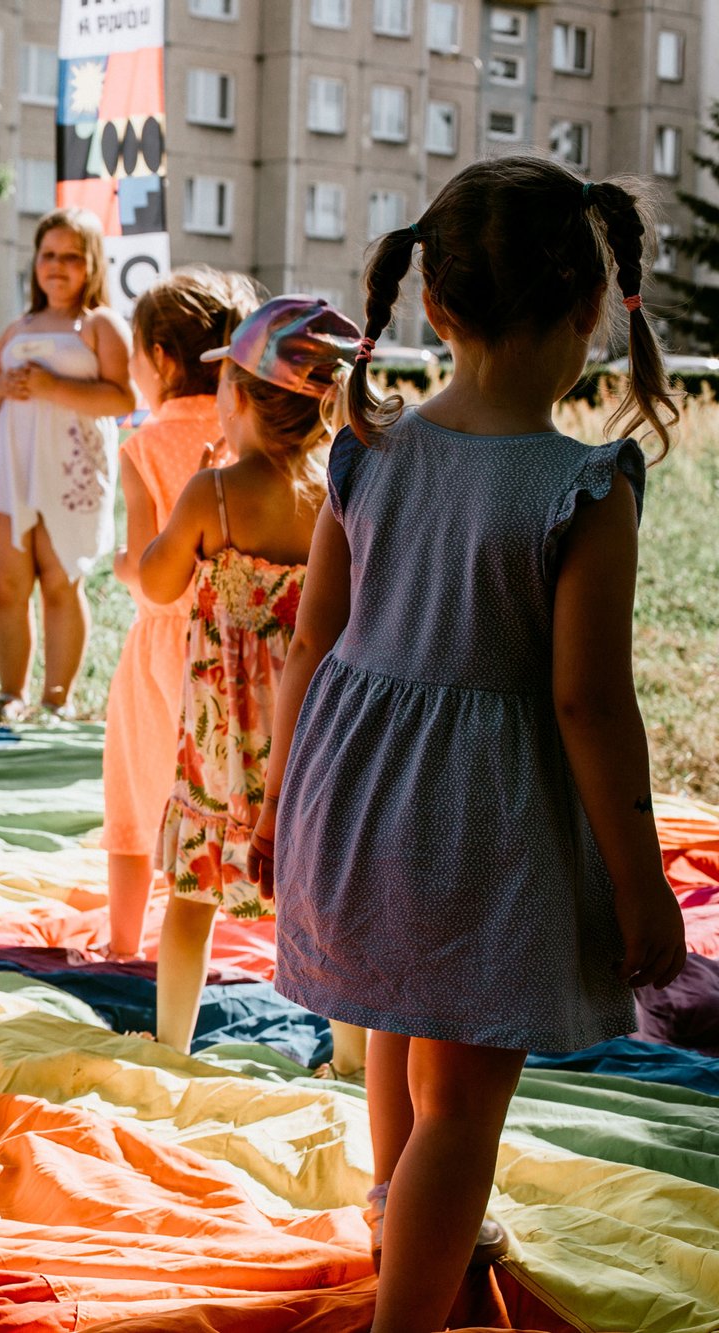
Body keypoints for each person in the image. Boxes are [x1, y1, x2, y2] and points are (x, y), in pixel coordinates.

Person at [251, 158, 687, 1333]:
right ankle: (412, 1299)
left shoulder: (362, 449)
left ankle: (404, 1219)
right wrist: (640, 883)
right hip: (478, 823)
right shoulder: (582, 484)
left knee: (393, 1030)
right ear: (589, 309)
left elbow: (309, 644)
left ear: (431, 305)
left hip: (350, 795)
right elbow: (588, 706)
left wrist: (276, 802)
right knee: (459, 1103)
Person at [137, 296, 367, 1081]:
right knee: (328, 892)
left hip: (223, 737)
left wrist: (181, 507)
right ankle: (349, 1056)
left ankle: (172, 1043)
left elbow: (160, 582)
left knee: (193, 895)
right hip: (318, 727)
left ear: (236, 397)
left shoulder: (217, 494)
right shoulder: (341, 494)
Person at [99, 266, 258, 960]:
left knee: (136, 797)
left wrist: (122, 565)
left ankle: (125, 943)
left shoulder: (142, 447)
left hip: (165, 648)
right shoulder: (256, 436)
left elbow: (150, 578)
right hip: (245, 647)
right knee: (231, 795)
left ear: (159, 359)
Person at [0, 209, 135, 722]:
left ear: (91, 263)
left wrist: (52, 387)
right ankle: (10, 694)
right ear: (35, 263)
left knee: (61, 580)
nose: (57, 266)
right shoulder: (19, 327)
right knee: (7, 581)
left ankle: (56, 699)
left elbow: (122, 398)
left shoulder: (100, 324)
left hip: (72, 471)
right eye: (48, 255)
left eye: (70, 256)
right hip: (13, 466)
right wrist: (1, 388)